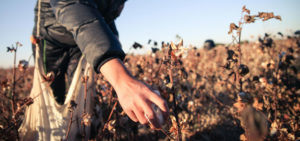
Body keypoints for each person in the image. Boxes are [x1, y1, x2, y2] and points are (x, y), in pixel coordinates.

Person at [32, 0, 169, 129]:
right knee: (51, 97)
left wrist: (113, 41)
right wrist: (121, 78)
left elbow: (102, 15)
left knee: (81, 99)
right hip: (51, 38)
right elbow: (72, 4)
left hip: (81, 43)